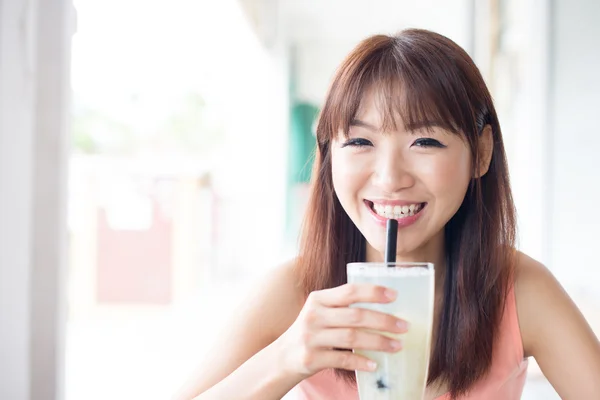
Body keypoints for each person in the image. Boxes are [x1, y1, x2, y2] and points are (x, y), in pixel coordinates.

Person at [173, 28, 600, 400]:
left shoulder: (519, 291)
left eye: (425, 141)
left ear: (481, 153)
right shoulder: (294, 292)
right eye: (360, 141)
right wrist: (286, 357)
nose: (390, 178)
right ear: (328, 154)